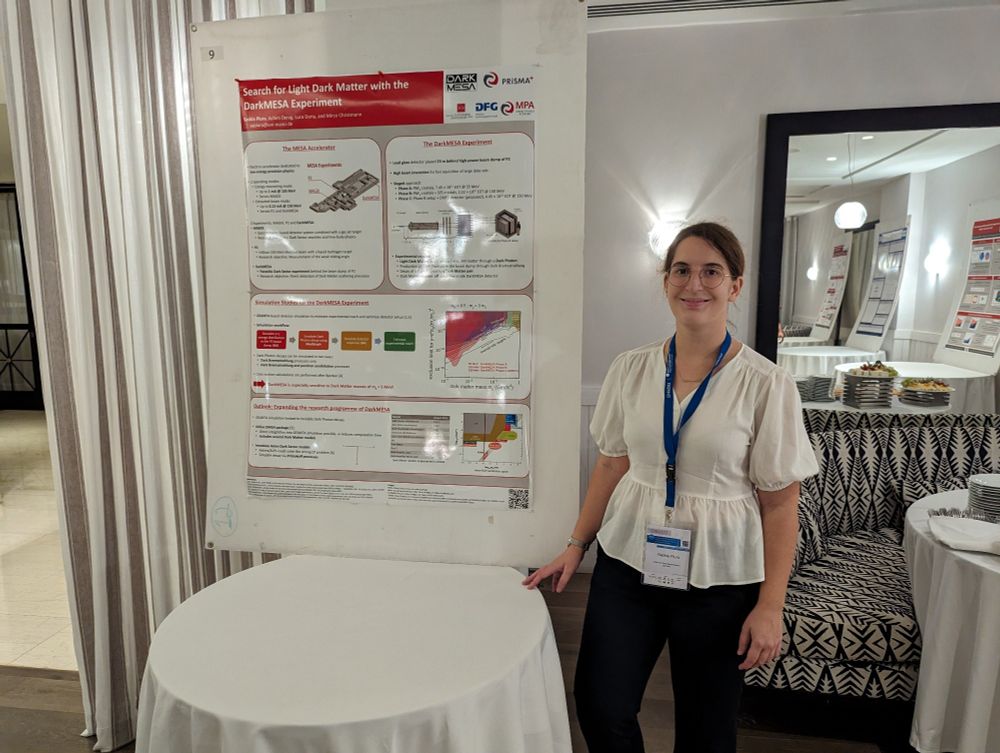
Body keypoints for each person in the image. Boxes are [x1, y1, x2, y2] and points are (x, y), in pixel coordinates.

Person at [523, 222, 818, 753]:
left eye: (712, 271)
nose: (694, 284)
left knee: (707, 731)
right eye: (681, 270)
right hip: (628, 560)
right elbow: (612, 465)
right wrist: (576, 544)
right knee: (600, 705)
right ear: (665, 281)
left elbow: (779, 504)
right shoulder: (631, 369)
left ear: (735, 285)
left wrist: (771, 605)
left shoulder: (766, 384)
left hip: (720, 576)